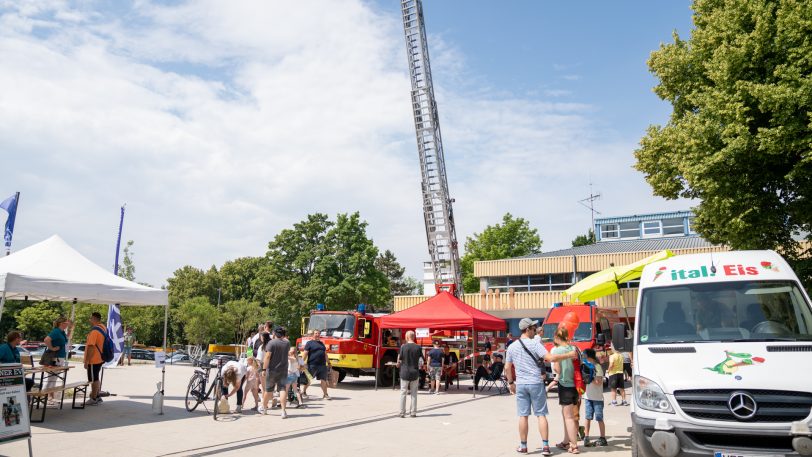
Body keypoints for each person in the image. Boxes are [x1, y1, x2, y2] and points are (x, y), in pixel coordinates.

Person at [505, 318, 578, 455]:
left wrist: (511, 383)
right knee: (541, 415)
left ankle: (523, 446)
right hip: (536, 383)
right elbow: (550, 358)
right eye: (533, 328)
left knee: (523, 416)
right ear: (527, 330)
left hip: (521, 384)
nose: (535, 331)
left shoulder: (512, 346)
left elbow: (507, 367)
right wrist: (568, 354)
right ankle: (545, 447)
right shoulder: (535, 344)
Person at [551, 327, 580, 454]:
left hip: (565, 385)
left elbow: (558, 371)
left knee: (568, 417)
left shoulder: (557, 351)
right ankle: (566, 441)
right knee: (570, 416)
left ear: (557, 337)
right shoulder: (573, 349)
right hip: (576, 385)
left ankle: (573, 445)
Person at [262, 327, 291, 417]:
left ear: (274, 333)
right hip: (283, 370)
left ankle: (264, 408)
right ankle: (283, 411)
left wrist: (264, 369)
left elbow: (267, 357)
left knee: (268, 390)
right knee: (282, 389)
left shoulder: (271, 343)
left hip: (272, 370)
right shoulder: (287, 343)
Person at [582, 349, 607, 447]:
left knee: (599, 418)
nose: (584, 357)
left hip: (597, 398)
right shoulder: (585, 366)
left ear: (589, 356)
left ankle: (603, 438)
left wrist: (590, 379)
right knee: (587, 417)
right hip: (588, 397)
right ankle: (586, 437)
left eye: (585, 355)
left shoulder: (597, 367)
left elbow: (599, 382)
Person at [44, 317, 70, 402]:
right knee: (52, 376)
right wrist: (52, 348)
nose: (67, 324)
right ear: (61, 323)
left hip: (60, 356)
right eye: (66, 323)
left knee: (54, 377)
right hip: (56, 357)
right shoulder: (56, 331)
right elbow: (46, 340)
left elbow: (66, 339)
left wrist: (71, 330)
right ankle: (47, 396)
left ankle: (50, 396)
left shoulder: (62, 332)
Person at [397, 330, 422, 418]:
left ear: (407, 337)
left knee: (403, 393)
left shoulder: (403, 347)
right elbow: (421, 361)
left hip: (404, 372)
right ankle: (413, 412)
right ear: (414, 337)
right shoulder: (418, 347)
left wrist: (398, 364)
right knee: (414, 393)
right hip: (415, 372)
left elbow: (400, 359)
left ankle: (402, 412)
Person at [84, 312, 107, 405]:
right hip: (100, 358)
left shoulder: (94, 331)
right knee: (96, 377)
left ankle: (93, 398)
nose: (90, 320)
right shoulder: (103, 328)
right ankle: (97, 396)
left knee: (93, 379)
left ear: (94, 318)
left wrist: (87, 361)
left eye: (91, 318)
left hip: (94, 359)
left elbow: (91, 346)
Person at [302, 329, 331, 400]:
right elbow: (305, 354)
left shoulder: (322, 343)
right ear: (313, 335)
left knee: (323, 380)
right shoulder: (309, 343)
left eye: (318, 333)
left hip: (322, 365)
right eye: (316, 333)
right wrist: (301, 363)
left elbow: (325, 354)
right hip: (312, 365)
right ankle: (303, 392)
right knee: (309, 380)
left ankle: (325, 394)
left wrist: (329, 362)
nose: (317, 334)